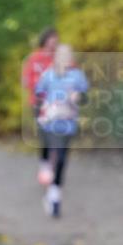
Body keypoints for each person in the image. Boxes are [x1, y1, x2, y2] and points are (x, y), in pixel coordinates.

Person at [34, 44, 89, 217]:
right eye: (61, 55)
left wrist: (78, 98)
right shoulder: (48, 76)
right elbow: (38, 98)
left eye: (68, 55)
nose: (64, 58)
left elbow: (85, 98)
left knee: (62, 158)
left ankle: (54, 192)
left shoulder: (77, 76)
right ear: (56, 57)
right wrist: (43, 110)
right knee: (53, 154)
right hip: (50, 124)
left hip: (68, 125)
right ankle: (52, 189)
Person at [22, 27, 59, 185]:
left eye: (56, 38)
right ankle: (45, 165)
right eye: (52, 38)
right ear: (45, 39)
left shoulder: (61, 58)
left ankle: (52, 165)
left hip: (59, 104)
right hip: (40, 103)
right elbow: (26, 81)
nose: (55, 41)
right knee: (46, 135)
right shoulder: (34, 58)